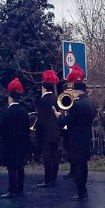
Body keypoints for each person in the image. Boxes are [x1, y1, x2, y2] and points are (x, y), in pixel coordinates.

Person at [56, 64, 95, 200]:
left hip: (77, 139)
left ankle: (81, 192)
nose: (70, 93)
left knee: (79, 166)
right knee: (83, 165)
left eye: (71, 90)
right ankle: (82, 192)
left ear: (75, 90)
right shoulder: (87, 102)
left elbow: (65, 122)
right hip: (85, 138)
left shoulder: (77, 105)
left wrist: (59, 116)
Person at [0, 77, 31, 197]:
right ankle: (20, 188)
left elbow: (2, 127)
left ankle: (12, 189)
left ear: (10, 98)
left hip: (10, 143)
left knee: (11, 167)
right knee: (20, 166)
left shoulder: (6, 112)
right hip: (21, 142)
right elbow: (27, 126)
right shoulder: (24, 111)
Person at [35, 69, 61, 189]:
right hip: (55, 132)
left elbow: (41, 119)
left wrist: (37, 132)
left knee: (47, 157)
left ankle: (47, 179)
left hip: (45, 133)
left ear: (44, 88)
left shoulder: (42, 101)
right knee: (54, 155)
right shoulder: (56, 98)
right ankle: (54, 177)